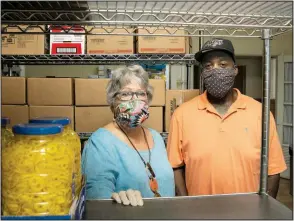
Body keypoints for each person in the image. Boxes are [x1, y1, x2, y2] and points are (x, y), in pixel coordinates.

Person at [167, 38, 286, 198]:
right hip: (199, 213)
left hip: (248, 213)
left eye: (223, 65)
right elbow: (175, 167)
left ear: (235, 70)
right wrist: (187, 206)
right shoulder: (182, 114)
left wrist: (264, 210)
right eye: (208, 66)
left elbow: (273, 170)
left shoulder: (261, 113)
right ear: (202, 73)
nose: (215, 70)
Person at [82, 65, 175, 206]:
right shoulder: (100, 143)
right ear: (113, 102)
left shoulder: (156, 137)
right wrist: (117, 198)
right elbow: (96, 202)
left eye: (140, 93)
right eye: (126, 94)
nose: (135, 100)